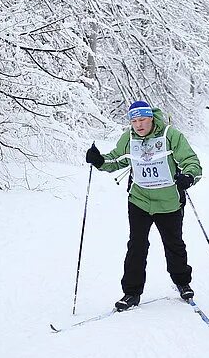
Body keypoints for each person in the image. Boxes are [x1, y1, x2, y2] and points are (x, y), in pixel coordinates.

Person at [85, 101, 201, 311]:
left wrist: (189, 176)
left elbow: (191, 161)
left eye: (142, 120)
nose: (138, 125)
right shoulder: (128, 138)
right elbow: (116, 160)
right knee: (136, 246)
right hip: (139, 200)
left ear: (151, 118)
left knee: (173, 244)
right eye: (134, 120)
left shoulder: (169, 135)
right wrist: (99, 160)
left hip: (168, 201)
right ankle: (131, 293)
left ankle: (182, 282)